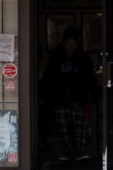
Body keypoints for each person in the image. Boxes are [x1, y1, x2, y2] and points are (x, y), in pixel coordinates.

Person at [41, 26, 98, 161]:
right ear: (64, 44)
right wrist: (43, 96)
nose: (71, 47)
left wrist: (93, 94)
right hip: (60, 98)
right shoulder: (56, 57)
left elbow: (91, 77)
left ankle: (80, 151)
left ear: (77, 44)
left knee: (80, 127)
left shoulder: (84, 58)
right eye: (68, 44)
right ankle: (66, 151)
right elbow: (48, 77)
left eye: (73, 44)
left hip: (78, 98)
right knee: (62, 128)